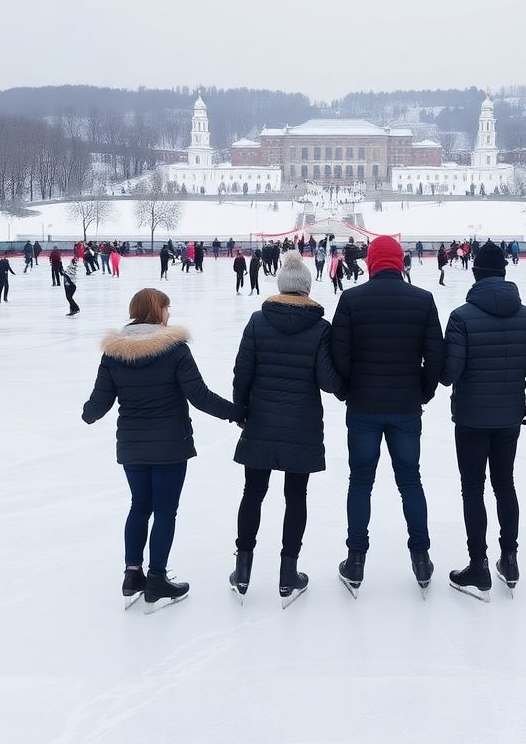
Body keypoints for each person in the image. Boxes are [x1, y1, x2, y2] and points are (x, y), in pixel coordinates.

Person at [82, 287, 244, 612]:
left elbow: (99, 401)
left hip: (132, 445)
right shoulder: (174, 350)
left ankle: (132, 575)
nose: (170, 315)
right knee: (165, 511)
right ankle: (156, 578)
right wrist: (237, 413)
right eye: (167, 309)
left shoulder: (114, 352)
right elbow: (199, 396)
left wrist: (89, 413)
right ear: (157, 312)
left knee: (139, 507)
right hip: (170, 446)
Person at [330, 235, 445, 597]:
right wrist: (422, 392)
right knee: (410, 481)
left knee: (360, 482)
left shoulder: (351, 299)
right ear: (399, 262)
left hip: (363, 406)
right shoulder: (422, 299)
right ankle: (421, 558)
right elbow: (436, 357)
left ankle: (356, 560)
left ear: (371, 263)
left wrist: (349, 390)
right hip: (405, 407)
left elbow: (339, 355)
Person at [230, 253, 345, 606]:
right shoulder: (320, 328)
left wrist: (240, 410)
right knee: (296, 496)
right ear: (307, 288)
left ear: (281, 286)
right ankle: (287, 574)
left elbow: (242, 371)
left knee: (253, 492)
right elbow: (328, 382)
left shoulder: (257, 321)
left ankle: (243, 570)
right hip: (301, 424)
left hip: (261, 420)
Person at [441, 241, 526, 600]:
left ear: (476, 274)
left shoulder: (461, 317)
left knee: (473, 488)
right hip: (509, 417)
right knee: (505, 484)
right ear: (504, 274)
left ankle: (479, 565)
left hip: (471, 418)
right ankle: (510, 559)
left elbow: (449, 372)